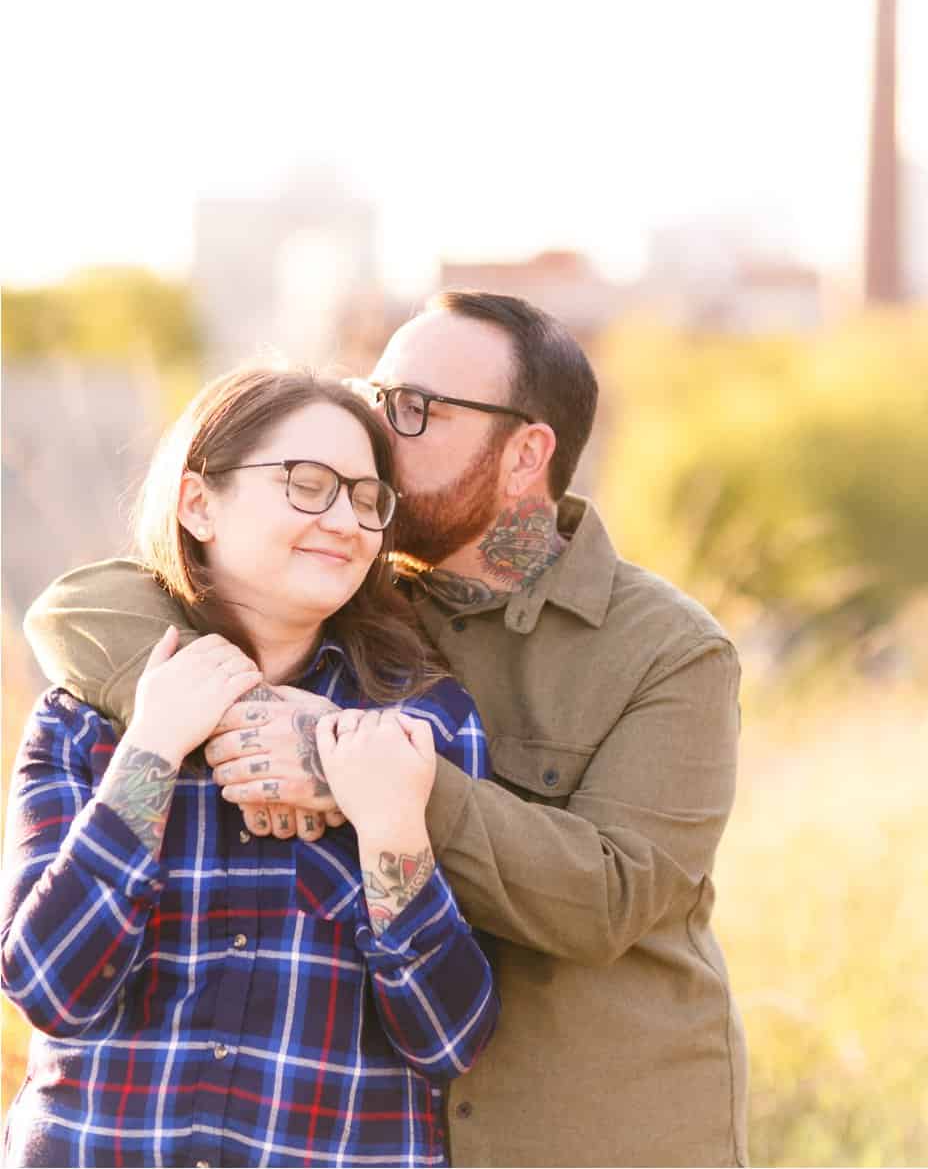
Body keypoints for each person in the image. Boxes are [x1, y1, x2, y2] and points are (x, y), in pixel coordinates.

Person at [23, 291, 748, 1168]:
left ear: (525, 453)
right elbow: (79, 605)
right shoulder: (343, 582)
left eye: (416, 409)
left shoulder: (670, 652)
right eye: (377, 399)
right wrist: (238, 720)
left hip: (584, 1131)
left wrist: (359, 772)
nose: (378, 433)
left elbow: (610, 897)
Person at [2, 365, 498, 1168]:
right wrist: (153, 749)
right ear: (199, 503)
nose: (348, 520)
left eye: (369, 499)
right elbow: (51, 989)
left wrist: (393, 829)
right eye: (308, 484)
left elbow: (452, 1039)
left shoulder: (423, 724)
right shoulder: (84, 717)